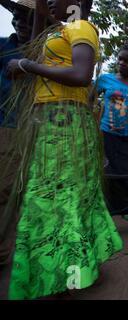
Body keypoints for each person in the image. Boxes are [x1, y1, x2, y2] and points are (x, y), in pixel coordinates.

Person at [1, 0, 122, 299]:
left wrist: (26, 65)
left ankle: (62, 276)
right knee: (62, 197)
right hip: (51, 121)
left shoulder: (81, 27)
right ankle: (69, 269)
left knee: (55, 199)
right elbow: (37, 37)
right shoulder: (55, 33)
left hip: (64, 122)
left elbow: (82, 75)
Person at [94, 45, 128, 232]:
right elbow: (90, 100)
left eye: (127, 60)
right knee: (109, 178)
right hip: (108, 136)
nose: (121, 63)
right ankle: (106, 223)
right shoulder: (105, 80)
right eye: (120, 59)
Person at [0, 0, 34, 206]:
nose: (20, 23)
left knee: (13, 188)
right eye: (17, 17)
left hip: (28, 128)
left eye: (27, 19)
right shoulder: (4, 46)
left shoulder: (45, 52)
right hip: (4, 123)